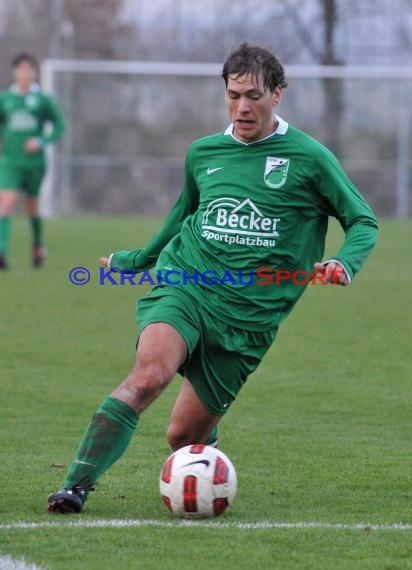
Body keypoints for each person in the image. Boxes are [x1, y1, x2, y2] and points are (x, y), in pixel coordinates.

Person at [48, 42, 378, 514]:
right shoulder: (204, 152)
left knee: (181, 437)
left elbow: (363, 220)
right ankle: (74, 486)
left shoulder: (309, 158)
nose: (243, 107)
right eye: (234, 95)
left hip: (249, 318)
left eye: (255, 96)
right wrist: (136, 259)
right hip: (187, 283)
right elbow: (181, 216)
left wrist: (346, 262)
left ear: (278, 95)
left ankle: (206, 439)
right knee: (148, 377)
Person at [0, 53, 65, 270]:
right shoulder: (5, 99)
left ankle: (37, 244)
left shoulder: (43, 100)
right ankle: (1, 251)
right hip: (10, 162)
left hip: (35, 163)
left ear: (34, 73)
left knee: (32, 209)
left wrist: (41, 140)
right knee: (5, 204)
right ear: (14, 72)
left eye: (29, 69)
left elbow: (59, 127)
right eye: (21, 69)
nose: (25, 73)